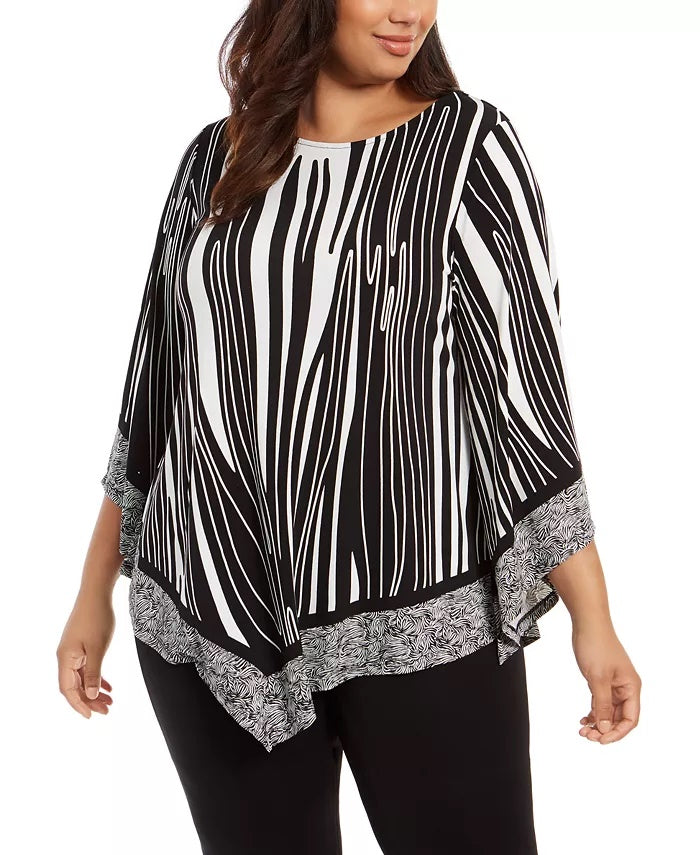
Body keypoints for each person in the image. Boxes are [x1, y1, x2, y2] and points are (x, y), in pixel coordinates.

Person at [57, 2, 642, 853]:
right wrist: (92, 594)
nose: (410, 11)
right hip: (213, 608)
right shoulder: (214, 159)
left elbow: (526, 401)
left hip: (415, 610)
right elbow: (154, 391)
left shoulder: (466, 149)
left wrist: (595, 617)